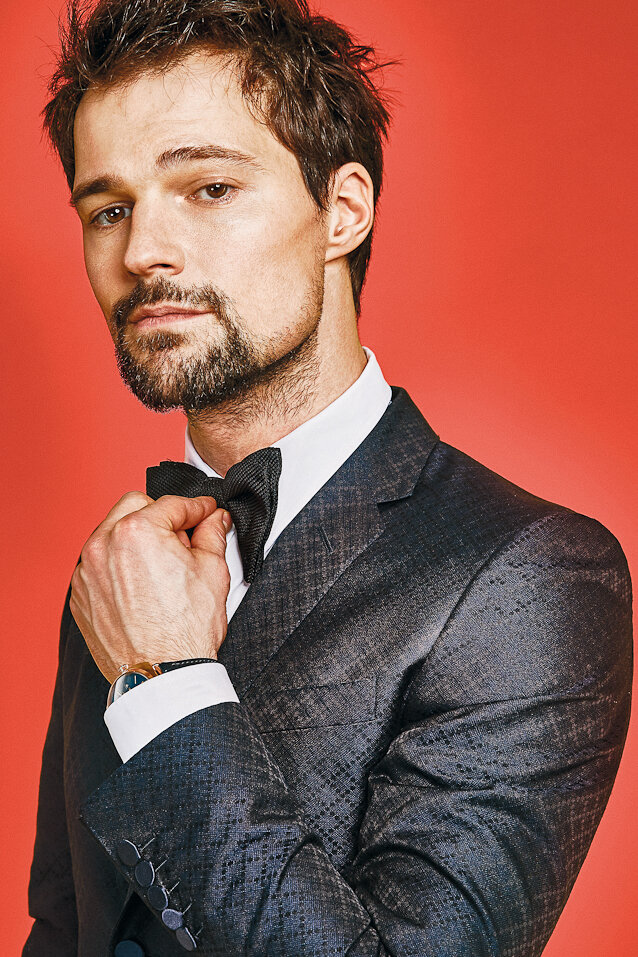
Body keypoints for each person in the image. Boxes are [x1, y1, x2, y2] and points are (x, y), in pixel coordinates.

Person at [24, 1, 632, 955]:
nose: (141, 252)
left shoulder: (532, 576)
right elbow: (66, 926)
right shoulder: (122, 565)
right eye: (109, 209)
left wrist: (167, 683)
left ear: (343, 211)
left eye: (209, 187)